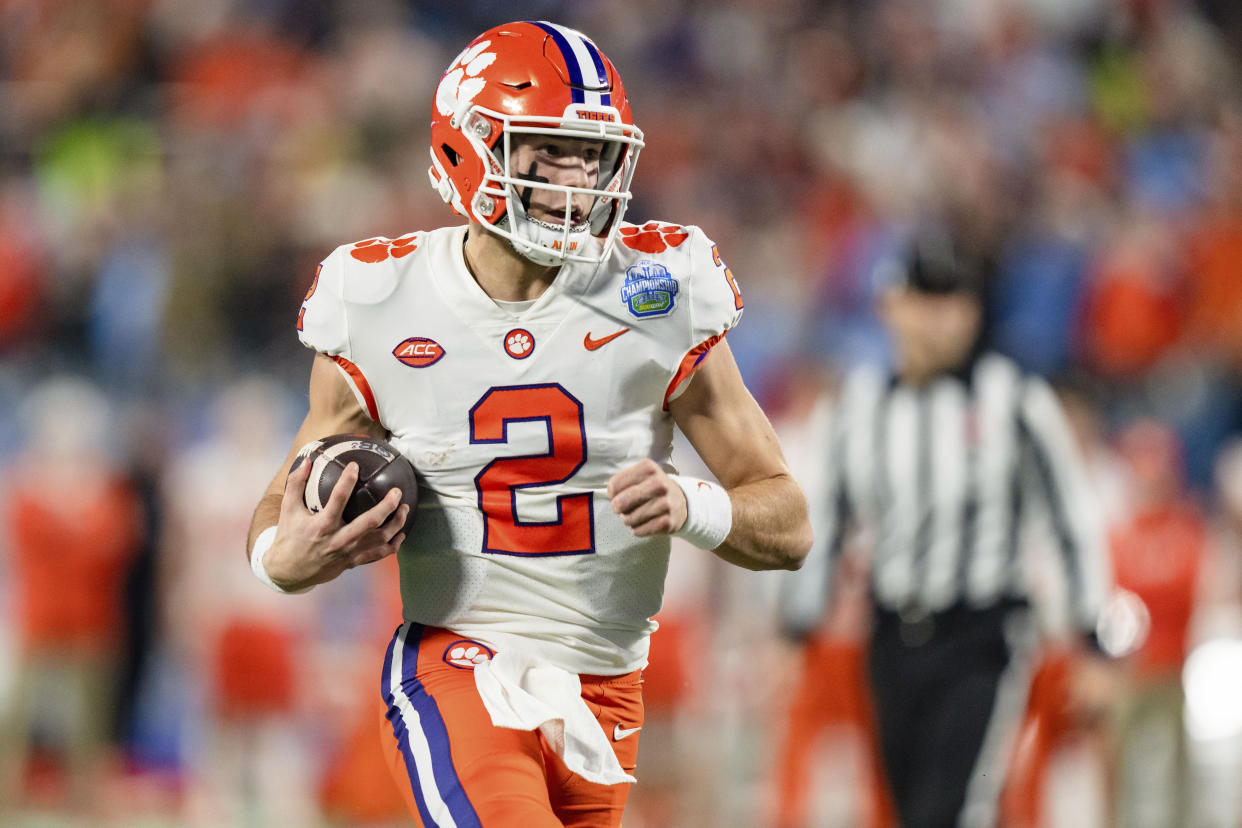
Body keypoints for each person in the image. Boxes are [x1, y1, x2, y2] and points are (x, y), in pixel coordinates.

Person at [245, 19, 811, 828]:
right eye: (548, 150)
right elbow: (283, 504)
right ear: (466, 150)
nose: (578, 179)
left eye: (594, 154)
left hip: (607, 683)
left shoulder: (657, 290)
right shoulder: (378, 300)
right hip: (454, 661)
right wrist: (283, 558)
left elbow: (787, 524)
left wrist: (693, 506)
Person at [782, 227, 1114, 828]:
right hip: (890, 636)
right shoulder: (858, 407)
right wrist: (797, 626)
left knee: (953, 809)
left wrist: (1092, 638)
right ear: (891, 305)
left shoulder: (1014, 400)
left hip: (981, 636)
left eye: (956, 301)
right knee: (910, 808)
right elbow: (826, 520)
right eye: (927, 299)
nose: (941, 319)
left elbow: (1071, 518)